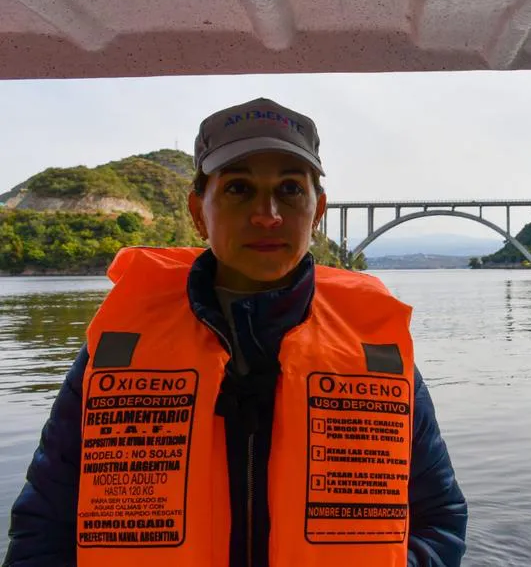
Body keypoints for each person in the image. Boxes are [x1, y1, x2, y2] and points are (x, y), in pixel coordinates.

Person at [4, 98, 467, 567]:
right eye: (239, 189)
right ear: (198, 211)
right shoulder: (114, 355)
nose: (267, 214)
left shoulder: (378, 356)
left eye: (290, 189)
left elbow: (439, 519)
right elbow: (43, 530)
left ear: (318, 211)